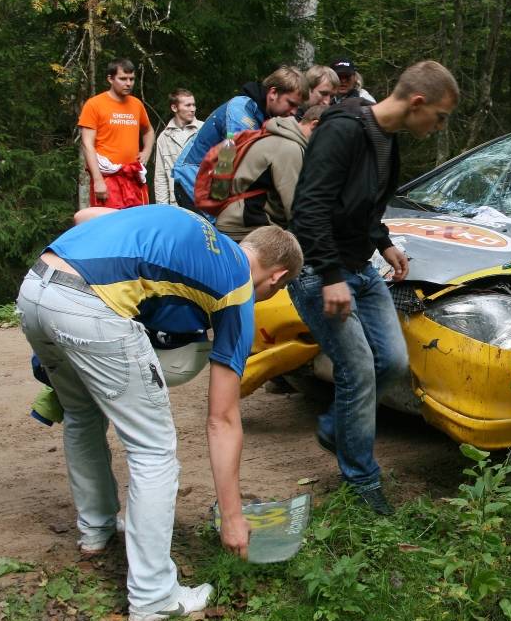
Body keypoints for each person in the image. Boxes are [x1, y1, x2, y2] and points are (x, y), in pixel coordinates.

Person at [15, 205, 302, 621]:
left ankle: (95, 530)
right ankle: (153, 595)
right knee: (153, 451)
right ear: (276, 277)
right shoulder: (238, 287)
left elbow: (83, 215)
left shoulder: (189, 223)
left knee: (81, 414)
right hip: (90, 307)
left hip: (36, 288)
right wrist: (233, 516)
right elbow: (221, 420)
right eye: (277, 289)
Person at [289, 60, 458, 515]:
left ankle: (337, 429)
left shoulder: (387, 139)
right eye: (440, 116)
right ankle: (362, 481)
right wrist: (329, 276)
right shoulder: (343, 129)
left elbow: (362, 202)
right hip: (320, 270)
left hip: (361, 267)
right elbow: (309, 209)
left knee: (394, 362)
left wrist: (382, 243)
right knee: (359, 368)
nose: (439, 125)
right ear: (417, 102)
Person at [171, 66, 307, 209]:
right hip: (193, 182)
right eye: (291, 104)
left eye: (297, 107)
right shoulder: (240, 111)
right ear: (273, 93)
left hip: (211, 186)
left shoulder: (266, 114)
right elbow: (236, 161)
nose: (294, 112)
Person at [215, 105, 325, 242]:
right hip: (246, 228)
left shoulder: (276, 135)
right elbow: (296, 208)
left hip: (234, 220)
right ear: (315, 125)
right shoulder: (290, 148)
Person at [77, 58, 154, 208]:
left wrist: (146, 151)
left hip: (133, 175)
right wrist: (98, 180)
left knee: (136, 222)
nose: (128, 83)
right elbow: (87, 144)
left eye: (131, 79)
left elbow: (148, 130)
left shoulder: (136, 104)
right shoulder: (94, 104)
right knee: (108, 224)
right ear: (110, 79)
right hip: (107, 177)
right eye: (123, 79)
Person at [153, 89, 202, 206]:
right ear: (174, 108)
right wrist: (162, 207)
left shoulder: (204, 130)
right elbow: (160, 176)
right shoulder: (164, 137)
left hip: (200, 199)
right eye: (188, 105)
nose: (193, 109)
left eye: (194, 105)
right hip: (176, 202)